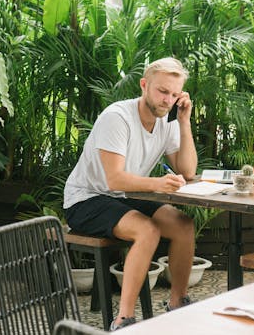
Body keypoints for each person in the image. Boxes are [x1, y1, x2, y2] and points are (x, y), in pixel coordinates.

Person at [63, 57, 197, 331]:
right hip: (85, 199)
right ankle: (123, 319)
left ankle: (177, 303)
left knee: (183, 225)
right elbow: (114, 179)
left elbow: (188, 171)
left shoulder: (167, 120)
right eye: (162, 91)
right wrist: (158, 184)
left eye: (174, 94)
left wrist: (184, 122)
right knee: (147, 230)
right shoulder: (117, 117)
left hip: (123, 196)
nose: (167, 100)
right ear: (144, 85)